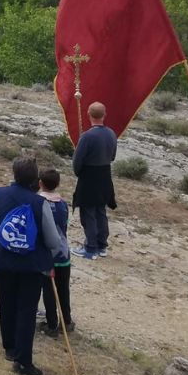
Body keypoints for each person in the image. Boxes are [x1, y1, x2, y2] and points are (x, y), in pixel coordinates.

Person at [0, 156, 66, 375]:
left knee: (6, 303)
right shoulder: (39, 203)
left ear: (14, 173)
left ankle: (10, 348)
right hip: (32, 265)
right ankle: (23, 362)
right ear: (36, 179)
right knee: (26, 310)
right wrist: (51, 258)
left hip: (3, 260)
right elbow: (53, 241)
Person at [71, 101, 117, 259]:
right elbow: (112, 156)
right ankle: (102, 246)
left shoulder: (87, 136)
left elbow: (77, 161)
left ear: (88, 114)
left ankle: (91, 248)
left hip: (89, 176)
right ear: (105, 115)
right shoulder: (111, 133)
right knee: (100, 210)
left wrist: (80, 174)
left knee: (88, 212)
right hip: (105, 175)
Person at [38, 168, 74, 337]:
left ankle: (51, 325)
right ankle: (66, 321)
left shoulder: (38, 202)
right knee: (63, 289)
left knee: (49, 290)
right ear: (58, 184)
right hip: (64, 253)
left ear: (40, 183)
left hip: (47, 254)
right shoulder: (63, 204)